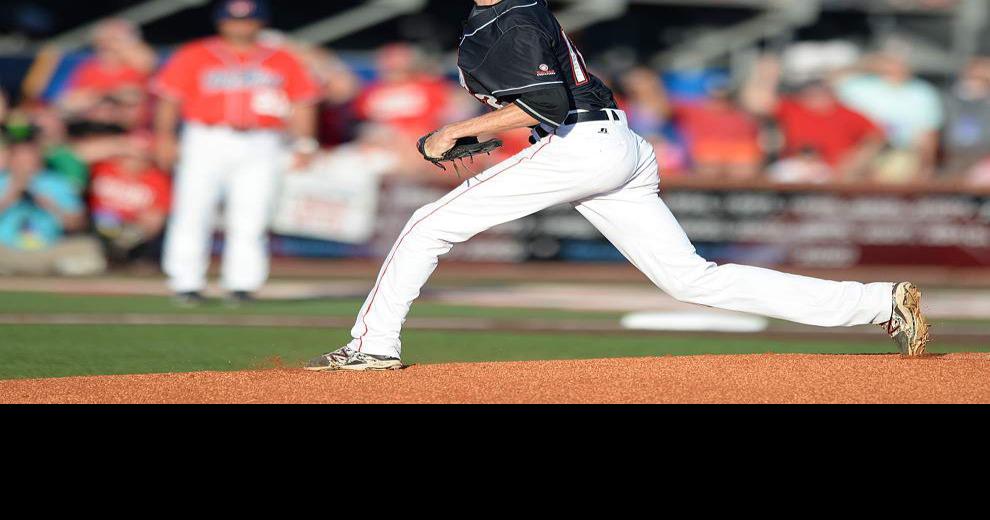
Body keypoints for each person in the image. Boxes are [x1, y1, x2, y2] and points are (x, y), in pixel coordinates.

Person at [304, 0, 930, 371]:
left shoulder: (513, 18)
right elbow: (539, 99)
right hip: (614, 144)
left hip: (581, 143)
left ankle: (373, 347)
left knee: (426, 225)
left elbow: (546, 102)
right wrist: (484, 125)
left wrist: (455, 129)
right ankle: (878, 302)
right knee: (691, 279)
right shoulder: (502, 17)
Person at [151, 0, 319, 306]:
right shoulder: (195, 54)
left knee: (252, 214)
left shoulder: (282, 57)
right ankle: (185, 282)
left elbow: (302, 101)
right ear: (221, 22)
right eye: (233, 20)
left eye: (247, 20)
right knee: (193, 210)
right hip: (206, 136)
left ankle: (243, 283)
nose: (240, 26)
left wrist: (305, 143)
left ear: (260, 23)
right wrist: (164, 137)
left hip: (262, 140)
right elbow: (169, 99)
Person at [741, 55, 885, 183]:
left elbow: (876, 136)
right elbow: (756, 104)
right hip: (793, 169)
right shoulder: (792, 107)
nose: (815, 91)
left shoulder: (846, 113)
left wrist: (855, 161)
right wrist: (766, 77)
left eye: (820, 86)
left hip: (830, 174)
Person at [0, 123, 105, 275]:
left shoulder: (58, 183)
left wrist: (50, 205)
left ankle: (52, 268)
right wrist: (10, 197)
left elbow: (76, 224)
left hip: (47, 250)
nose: (25, 162)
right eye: (20, 156)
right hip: (7, 250)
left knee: (89, 247)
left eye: (30, 156)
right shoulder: (2, 181)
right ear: (11, 158)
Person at [834, 44, 943, 182]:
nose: (896, 66)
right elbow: (832, 80)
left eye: (901, 62)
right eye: (891, 61)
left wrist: (927, 165)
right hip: (859, 147)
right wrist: (866, 63)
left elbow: (929, 134)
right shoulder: (857, 86)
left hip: (900, 149)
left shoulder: (923, 93)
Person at [88, 133, 171, 263]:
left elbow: (155, 220)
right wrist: (117, 146)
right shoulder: (104, 167)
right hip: (94, 223)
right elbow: (74, 154)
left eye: (142, 155)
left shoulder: (157, 179)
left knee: (129, 234)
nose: (134, 160)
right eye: (131, 154)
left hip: (129, 230)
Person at [943, 57, 990, 178]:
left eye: (983, 79)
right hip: (954, 158)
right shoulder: (949, 99)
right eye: (973, 76)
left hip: (985, 160)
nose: (976, 82)